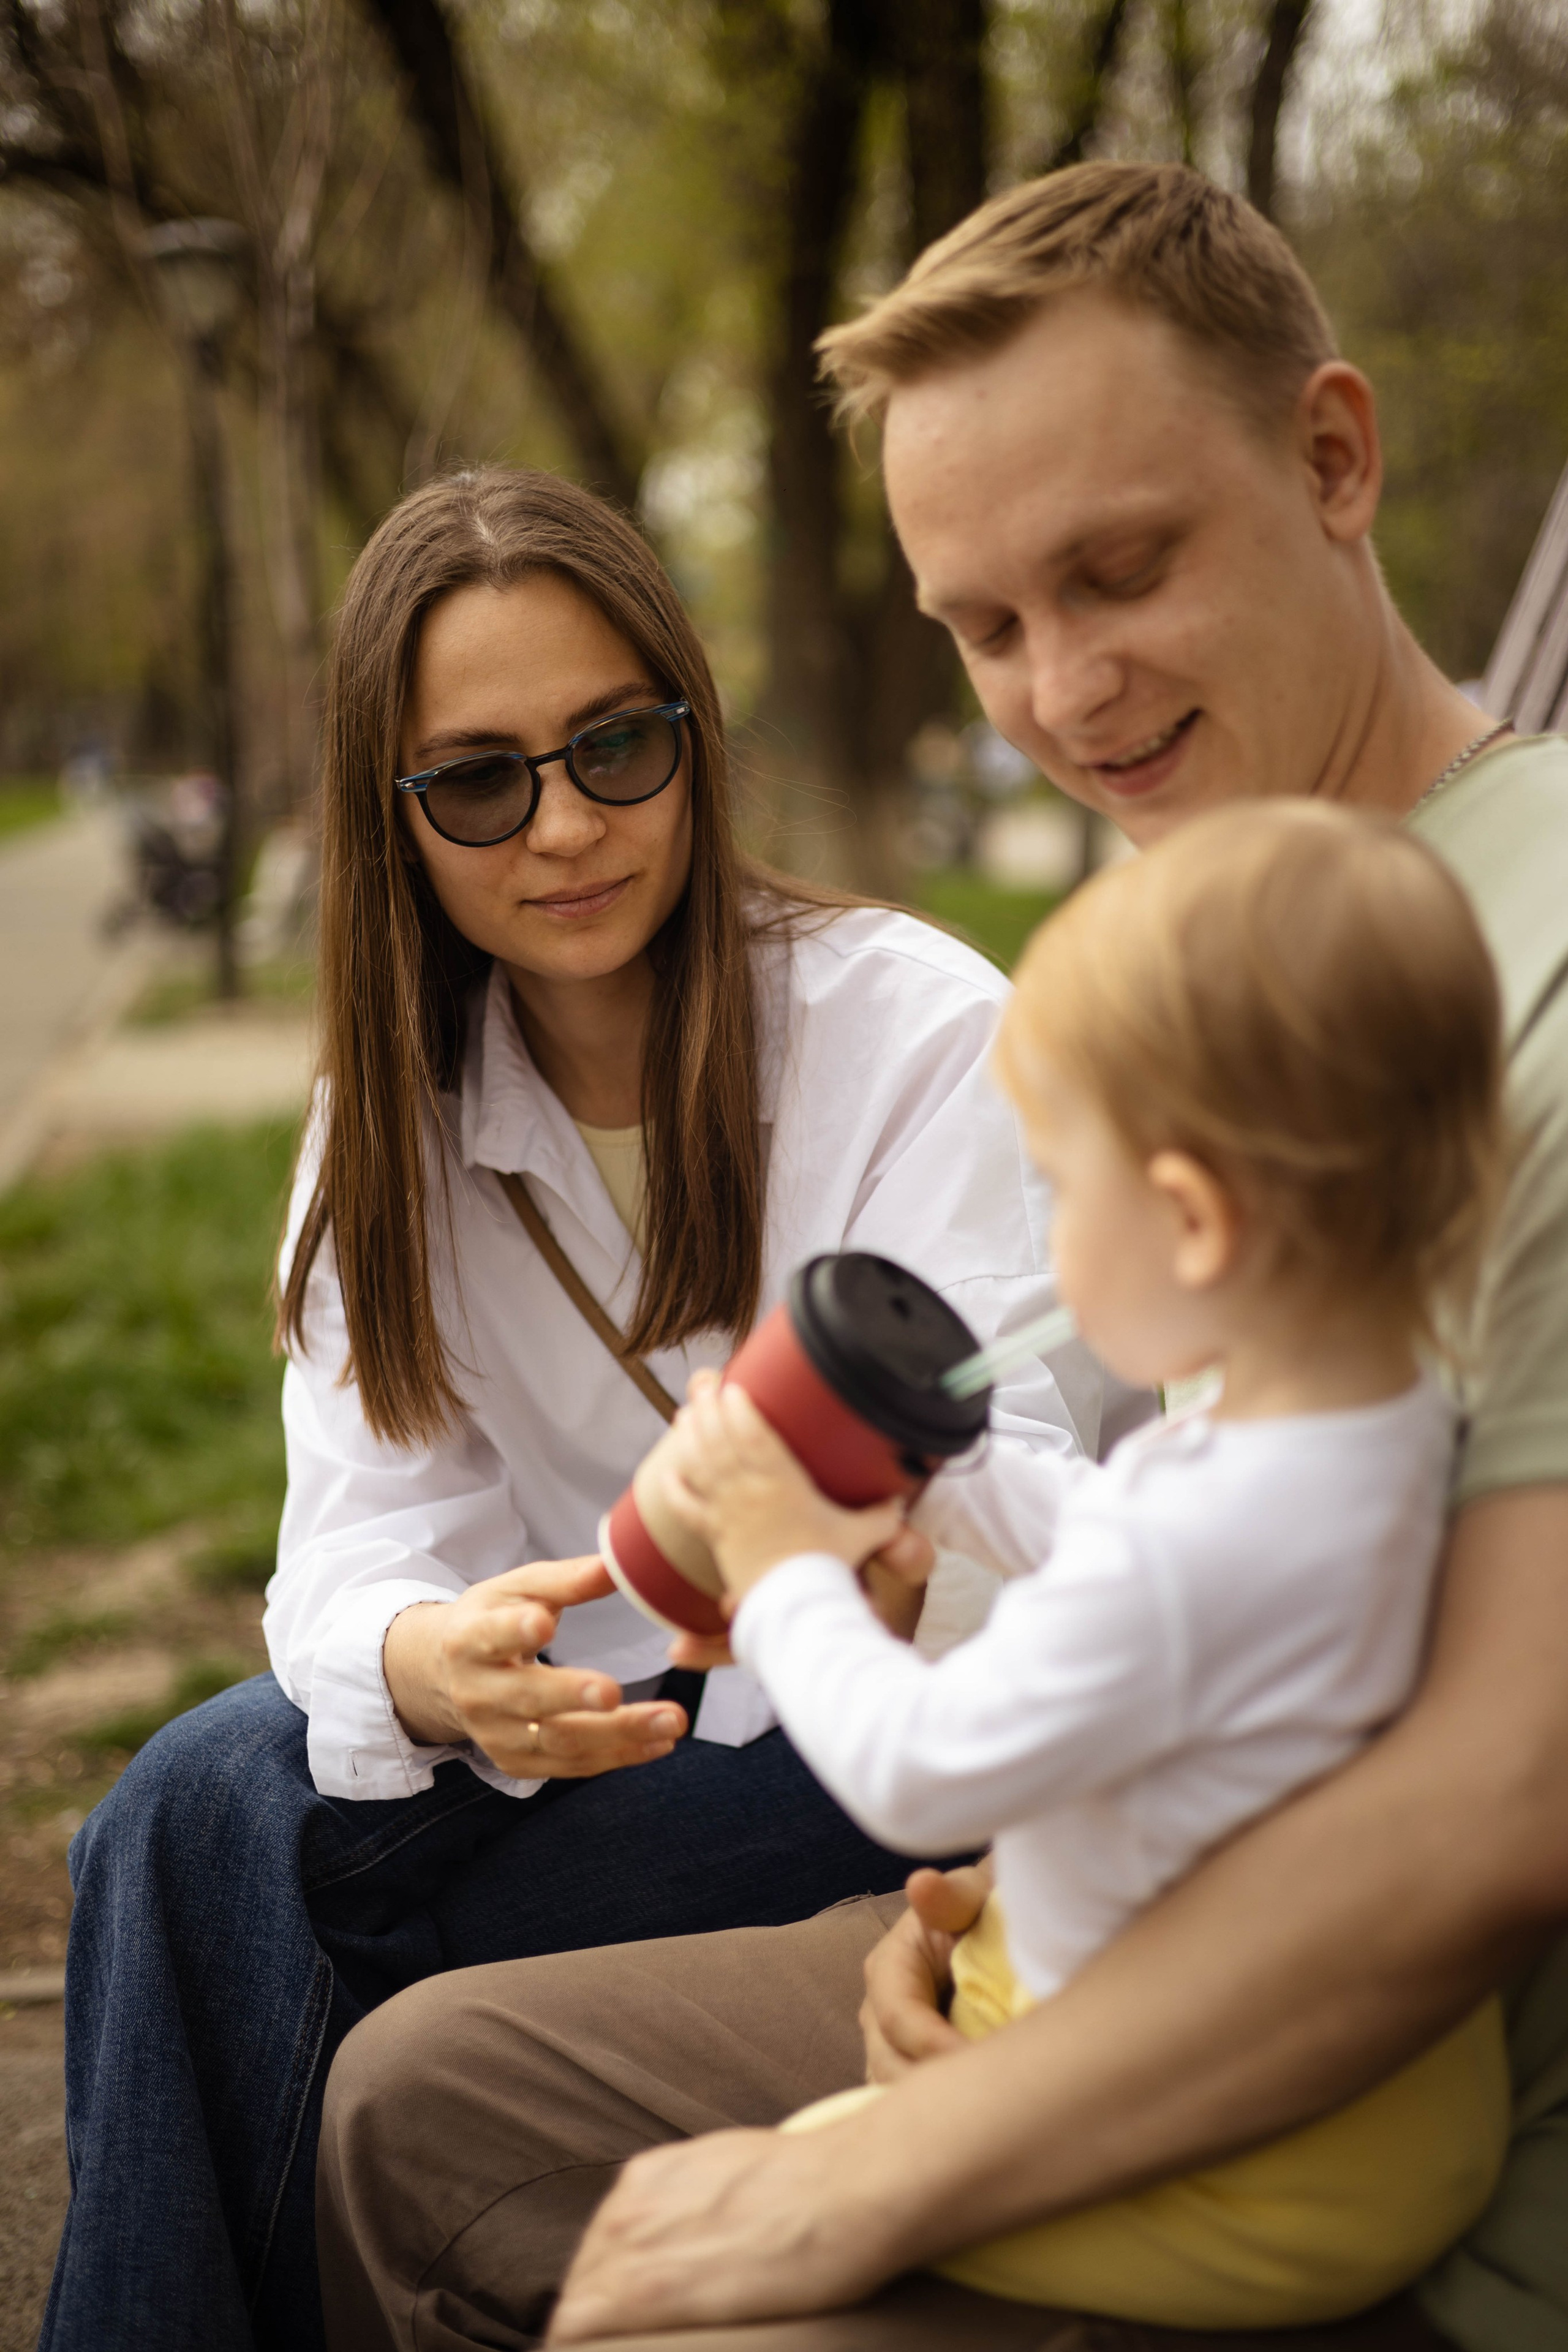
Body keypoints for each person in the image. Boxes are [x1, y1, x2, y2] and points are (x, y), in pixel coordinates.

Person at [312, 164, 1568, 2352]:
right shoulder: (1229, 954)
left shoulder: (1520, 973)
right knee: (410, 2092)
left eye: (1123, 569)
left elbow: (1502, 1798)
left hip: (1378, 2151)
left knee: (657, 2281)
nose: (1066, 690)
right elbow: (1231, 1619)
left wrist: (899, 2165)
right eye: (983, 624)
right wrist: (1007, 1885)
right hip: (1128, 1934)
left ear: (1335, 457)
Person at [42, 466, 1096, 2352]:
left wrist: (852, 1552)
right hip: (572, 1748)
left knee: (193, 1852)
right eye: (479, 779)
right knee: (201, 1833)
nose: (566, 827)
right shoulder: (391, 1125)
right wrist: (432, 1660)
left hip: (871, 1750)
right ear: (399, 822)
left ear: (691, 730)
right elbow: (353, 1544)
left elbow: (1032, 1483)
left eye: (615, 746)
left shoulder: (916, 1034)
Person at [665, 801, 1509, 2328]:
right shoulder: (1365, 1432)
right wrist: (958, 1459)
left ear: (1187, 1220)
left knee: (749, 2203)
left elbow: (918, 1772)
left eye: (1060, 1185)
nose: (1045, 1251)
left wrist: (778, 1569)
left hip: (1253, 2173)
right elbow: (1125, 1537)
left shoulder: (1201, 1550)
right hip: (1384, 2105)